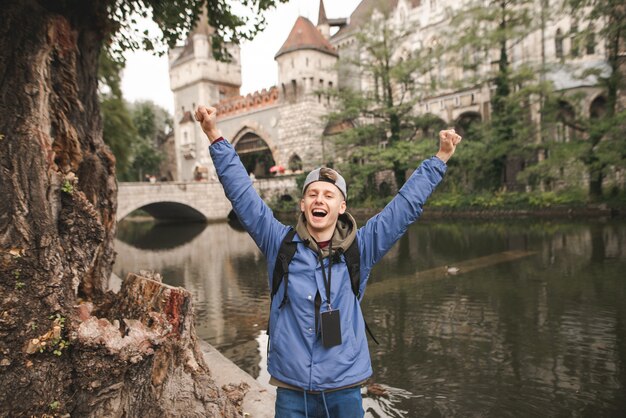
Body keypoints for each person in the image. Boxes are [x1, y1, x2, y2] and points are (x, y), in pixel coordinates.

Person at [195, 105, 461, 418]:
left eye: (329, 194)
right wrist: (214, 134)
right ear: (303, 204)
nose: (320, 199)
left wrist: (440, 157)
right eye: (313, 194)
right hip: (292, 389)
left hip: (344, 387)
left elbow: (405, 206)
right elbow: (241, 194)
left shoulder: (362, 245)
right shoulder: (278, 241)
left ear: (341, 206)